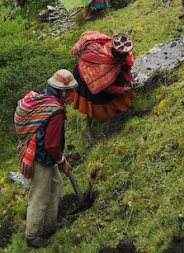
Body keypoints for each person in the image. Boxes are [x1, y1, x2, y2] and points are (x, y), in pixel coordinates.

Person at [14, 69, 79, 249]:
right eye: (71, 90)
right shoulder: (56, 111)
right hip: (42, 158)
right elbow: (51, 145)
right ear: (63, 91)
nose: (72, 94)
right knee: (39, 195)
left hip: (43, 153)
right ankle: (32, 235)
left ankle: (50, 225)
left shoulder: (46, 97)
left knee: (56, 185)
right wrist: (62, 161)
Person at [70, 32, 134, 137]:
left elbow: (125, 67)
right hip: (89, 76)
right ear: (117, 56)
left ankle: (119, 110)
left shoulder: (120, 53)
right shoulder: (102, 61)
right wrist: (122, 90)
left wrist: (128, 79)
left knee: (120, 81)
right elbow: (106, 88)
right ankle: (88, 127)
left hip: (106, 71)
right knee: (93, 100)